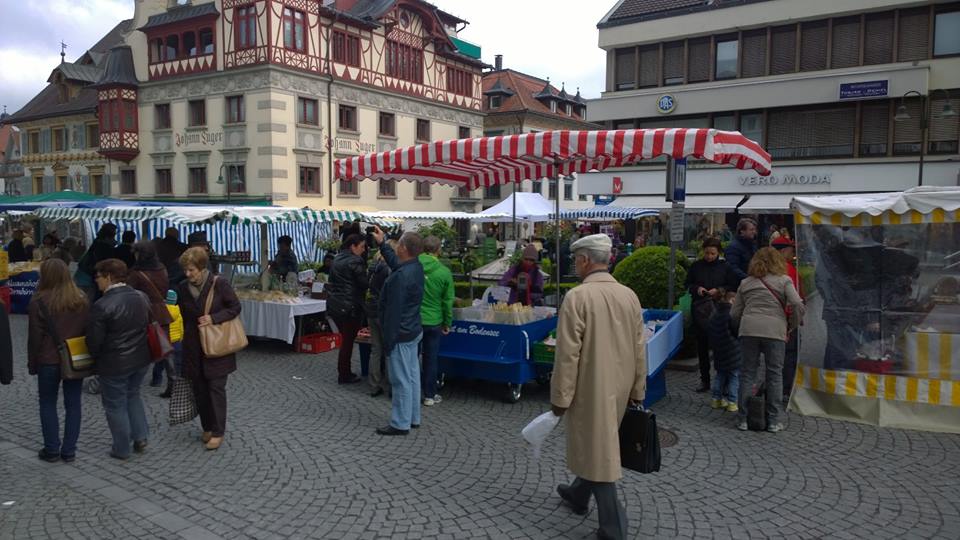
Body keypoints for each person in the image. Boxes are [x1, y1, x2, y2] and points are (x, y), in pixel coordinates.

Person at [551, 234, 646, 540]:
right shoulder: (629, 295)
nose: (575, 265)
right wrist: (638, 389)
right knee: (598, 444)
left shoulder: (577, 297)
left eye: (575, 260)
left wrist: (560, 397)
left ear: (584, 261)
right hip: (620, 385)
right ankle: (579, 493)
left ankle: (613, 526)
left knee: (599, 452)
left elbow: (567, 354)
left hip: (590, 387)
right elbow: (640, 346)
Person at [731, 247, 805, 433]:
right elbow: (797, 303)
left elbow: (734, 313)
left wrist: (744, 324)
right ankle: (773, 420)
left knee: (748, 373)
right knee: (774, 375)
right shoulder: (784, 280)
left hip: (749, 330)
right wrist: (792, 325)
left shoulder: (746, 283)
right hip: (775, 330)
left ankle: (743, 419)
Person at [86, 258, 153, 460]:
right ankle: (140, 437)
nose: (96, 281)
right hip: (141, 358)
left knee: (115, 405)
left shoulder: (102, 305)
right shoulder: (141, 297)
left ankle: (121, 448)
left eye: (98, 277)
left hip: (115, 363)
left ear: (108, 276)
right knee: (133, 395)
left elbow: (94, 342)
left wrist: (95, 359)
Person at [177, 247, 241, 451]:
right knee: (200, 390)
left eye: (191, 270)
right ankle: (207, 426)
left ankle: (218, 431)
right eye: (185, 270)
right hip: (193, 346)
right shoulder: (182, 287)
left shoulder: (219, 284)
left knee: (216, 389)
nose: (188, 274)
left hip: (217, 344)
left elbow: (235, 307)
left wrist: (214, 318)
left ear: (202, 268)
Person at [28, 259, 87, 462]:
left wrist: (32, 362)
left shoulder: (39, 300)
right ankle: (69, 450)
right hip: (74, 356)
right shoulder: (80, 298)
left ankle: (52, 449)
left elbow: (35, 337)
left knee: (47, 403)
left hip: (48, 358)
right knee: (73, 404)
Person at [373, 229, 424, 436]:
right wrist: (382, 243)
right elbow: (396, 264)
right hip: (412, 329)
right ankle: (412, 417)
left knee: (401, 379)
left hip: (400, 333)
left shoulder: (400, 277)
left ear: (403, 248)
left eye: (398, 245)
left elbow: (393, 312)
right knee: (412, 376)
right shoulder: (415, 267)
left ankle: (400, 423)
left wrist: (389, 341)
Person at [684, 237, 739, 393]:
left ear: (718, 253)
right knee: (702, 346)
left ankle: (723, 381)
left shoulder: (725, 267)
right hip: (701, 310)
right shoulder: (696, 266)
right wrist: (697, 289)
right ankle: (705, 380)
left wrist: (720, 290)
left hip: (719, 310)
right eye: (707, 253)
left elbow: (733, 285)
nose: (709, 256)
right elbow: (688, 283)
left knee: (721, 347)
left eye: (712, 253)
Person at [126, 241, 174, 393]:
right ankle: (172, 380)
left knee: (136, 346)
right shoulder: (162, 269)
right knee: (165, 348)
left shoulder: (136, 273)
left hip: (143, 313)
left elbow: (129, 293)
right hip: (162, 312)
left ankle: (132, 381)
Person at [326, 234, 369, 384]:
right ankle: (344, 373)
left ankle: (343, 371)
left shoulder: (337, 258)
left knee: (346, 340)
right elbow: (364, 283)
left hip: (337, 304)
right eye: (362, 246)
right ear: (353, 246)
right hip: (351, 305)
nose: (363, 250)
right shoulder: (355, 261)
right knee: (348, 342)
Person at [419, 236, 453, 407]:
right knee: (431, 359)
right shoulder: (444, 271)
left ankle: (408, 391)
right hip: (434, 320)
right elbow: (448, 302)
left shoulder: (412, 266)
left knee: (411, 357)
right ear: (438, 250)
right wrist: (447, 322)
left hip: (414, 319)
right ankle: (429, 395)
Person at [365, 240, 395, 398]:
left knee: (375, 350)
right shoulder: (389, 269)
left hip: (371, 308)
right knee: (389, 350)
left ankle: (373, 385)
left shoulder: (372, 266)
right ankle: (391, 386)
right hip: (383, 311)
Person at [707, 290, 741, 412]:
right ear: (732, 300)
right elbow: (736, 330)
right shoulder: (731, 314)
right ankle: (732, 401)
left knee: (720, 375)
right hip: (733, 351)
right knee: (734, 376)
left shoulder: (715, 313)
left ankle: (716, 399)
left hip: (719, 350)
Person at [76, 223, 119, 303]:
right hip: (90, 277)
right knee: (89, 302)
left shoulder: (97, 242)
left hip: (83, 275)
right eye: (115, 232)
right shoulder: (104, 246)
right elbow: (103, 263)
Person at [724, 217, 758, 285]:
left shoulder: (752, 245)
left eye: (754, 229)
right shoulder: (733, 247)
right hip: (738, 284)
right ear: (742, 231)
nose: (754, 232)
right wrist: (748, 279)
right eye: (751, 230)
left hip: (750, 282)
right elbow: (732, 267)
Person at [166, 290, 184, 380]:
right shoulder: (178, 313)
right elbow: (181, 328)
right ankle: (176, 377)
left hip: (165, 341)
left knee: (160, 363)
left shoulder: (162, 311)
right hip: (176, 341)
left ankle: (156, 380)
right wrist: (181, 337)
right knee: (177, 362)